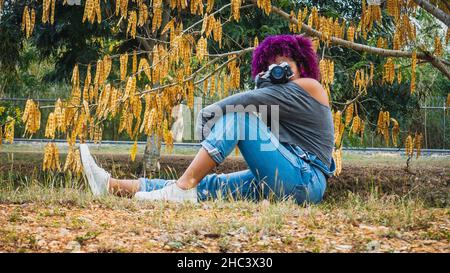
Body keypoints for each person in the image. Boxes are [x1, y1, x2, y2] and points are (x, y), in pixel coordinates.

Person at [79, 34, 336, 204]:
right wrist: (264, 82)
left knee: (240, 119)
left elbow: (244, 103)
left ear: (302, 64)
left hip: (305, 180)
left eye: (284, 64)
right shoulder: (275, 99)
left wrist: (207, 114)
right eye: (271, 67)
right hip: (286, 178)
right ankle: (111, 185)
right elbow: (261, 111)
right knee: (209, 185)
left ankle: (183, 185)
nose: (279, 72)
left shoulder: (311, 86)